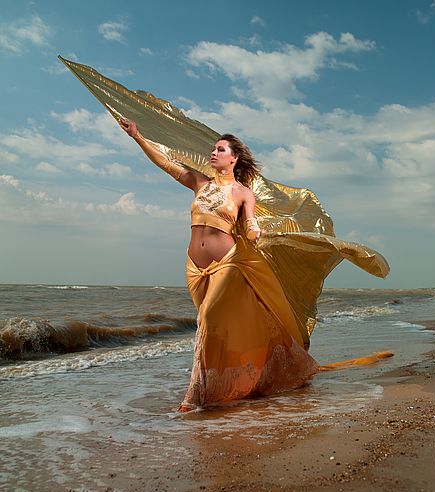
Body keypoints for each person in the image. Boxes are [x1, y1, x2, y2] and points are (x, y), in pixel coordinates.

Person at [120, 119, 319, 411]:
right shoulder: (200, 182)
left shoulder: (242, 193)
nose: (213, 153)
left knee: (208, 319)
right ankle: (239, 381)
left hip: (228, 262)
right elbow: (164, 163)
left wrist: (254, 232)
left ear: (234, 158)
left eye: (220, 149)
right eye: (213, 149)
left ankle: (196, 392)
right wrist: (138, 136)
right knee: (216, 327)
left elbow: (249, 225)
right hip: (194, 267)